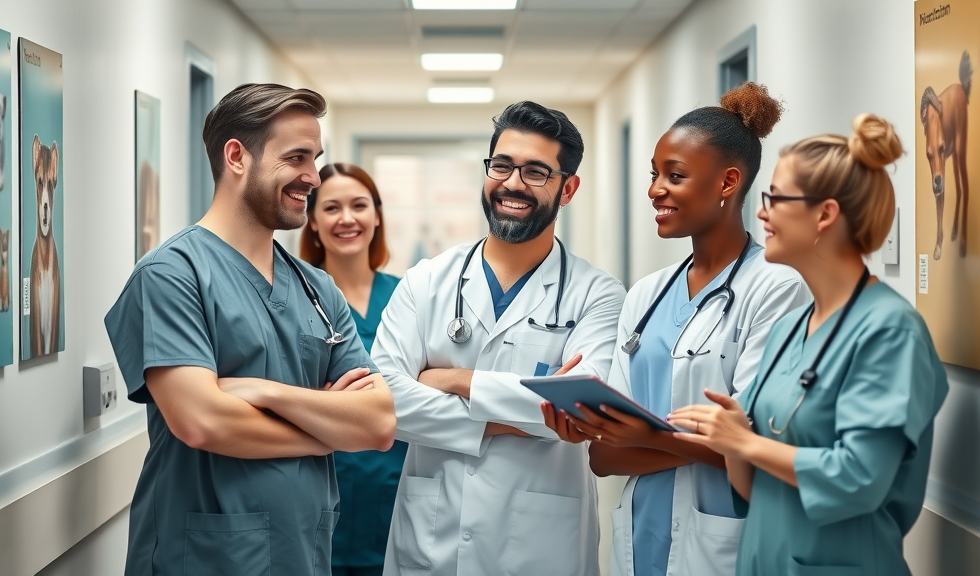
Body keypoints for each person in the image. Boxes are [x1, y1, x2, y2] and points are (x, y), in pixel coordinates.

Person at [105, 84, 396, 576]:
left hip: (302, 555)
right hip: (206, 559)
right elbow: (203, 421)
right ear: (237, 156)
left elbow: (378, 423)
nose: (313, 177)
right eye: (297, 158)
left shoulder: (317, 288)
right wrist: (325, 435)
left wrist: (265, 391)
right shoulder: (172, 275)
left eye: (315, 159)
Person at [543, 82, 811, 576]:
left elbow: (759, 452)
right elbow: (604, 458)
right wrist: (695, 444)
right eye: (654, 174)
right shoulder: (646, 295)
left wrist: (647, 436)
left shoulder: (776, 289)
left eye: (675, 175)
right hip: (640, 539)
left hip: (724, 544)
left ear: (728, 182)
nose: (654, 189)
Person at [668, 114, 949, 576]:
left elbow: (860, 478)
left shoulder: (890, 331)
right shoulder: (789, 329)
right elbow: (756, 486)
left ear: (825, 215)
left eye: (776, 199)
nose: (762, 213)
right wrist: (734, 441)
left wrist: (744, 442)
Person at [371, 101, 625, 576]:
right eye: (502, 165)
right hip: (432, 541)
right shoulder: (426, 281)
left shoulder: (598, 294)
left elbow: (584, 407)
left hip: (541, 547)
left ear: (568, 189)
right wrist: (513, 418)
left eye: (536, 172)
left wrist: (453, 379)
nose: (513, 183)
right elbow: (383, 401)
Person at [299, 162, 407, 576]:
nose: (347, 218)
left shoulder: (407, 297)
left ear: (377, 216)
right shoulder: (294, 298)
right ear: (312, 220)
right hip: (323, 479)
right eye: (331, 208)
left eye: (359, 205)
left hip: (397, 482)